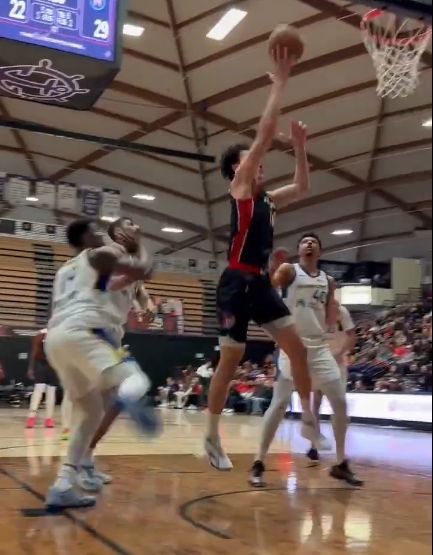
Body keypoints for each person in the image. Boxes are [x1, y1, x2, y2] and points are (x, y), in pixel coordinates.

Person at [205, 46, 316, 472]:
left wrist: (301, 147)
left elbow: (302, 187)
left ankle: (308, 419)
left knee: (297, 349)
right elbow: (264, 136)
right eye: (249, 163)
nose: (258, 165)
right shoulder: (240, 191)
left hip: (261, 283)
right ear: (238, 171)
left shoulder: (268, 200)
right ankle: (212, 436)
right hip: (235, 283)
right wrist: (280, 83)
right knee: (230, 360)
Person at [44, 218, 156, 510]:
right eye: (130, 224)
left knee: (91, 411)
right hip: (90, 332)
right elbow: (141, 270)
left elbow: (125, 285)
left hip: (57, 337)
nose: (137, 228)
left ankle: (65, 482)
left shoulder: (69, 267)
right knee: (135, 381)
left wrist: (147, 306)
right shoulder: (107, 253)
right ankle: (129, 397)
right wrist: (141, 249)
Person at [250, 235, 363, 488]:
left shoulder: (328, 281)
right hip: (292, 343)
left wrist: (332, 316)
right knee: (278, 404)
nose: (309, 244)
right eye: (305, 242)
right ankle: (258, 462)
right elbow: (267, 290)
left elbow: (330, 317)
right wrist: (271, 269)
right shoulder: (289, 270)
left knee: (340, 402)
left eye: (314, 242)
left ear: (320, 251)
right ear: (299, 250)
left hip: (319, 347)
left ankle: (340, 463)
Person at [308, 302, 356, 463]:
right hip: (319, 362)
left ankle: (340, 452)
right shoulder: (315, 311)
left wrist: (340, 353)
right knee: (315, 404)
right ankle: (314, 445)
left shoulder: (342, 311)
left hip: (337, 364)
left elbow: (352, 336)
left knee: (339, 406)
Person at [26, 329, 58, 429]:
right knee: (38, 392)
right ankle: (31, 417)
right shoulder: (41, 335)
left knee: (51, 394)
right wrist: (30, 368)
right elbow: (34, 352)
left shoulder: (59, 335)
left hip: (53, 367)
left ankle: (49, 418)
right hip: (41, 365)